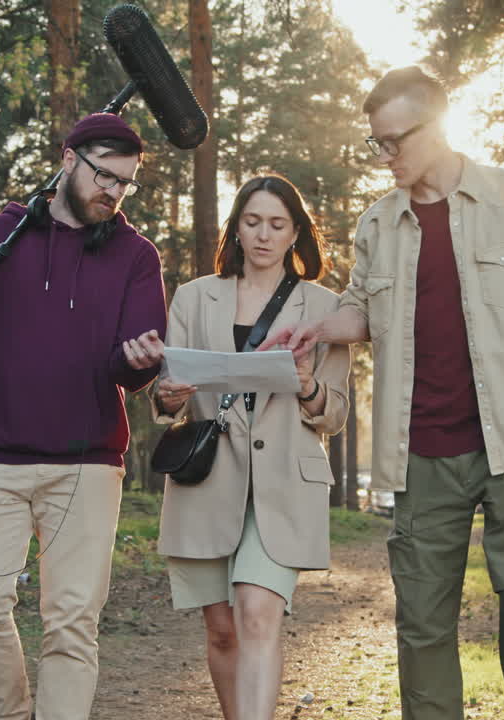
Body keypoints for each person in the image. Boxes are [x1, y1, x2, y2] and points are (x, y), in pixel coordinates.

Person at [261, 67, 504, 720]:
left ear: (435, 126)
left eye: (393, 141)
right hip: (420, 452)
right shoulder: (378, 224)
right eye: (375, 143)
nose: (385, 155)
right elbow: (361, 311)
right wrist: (315, 328)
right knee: (422, 622)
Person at [0, 113, 168, 720]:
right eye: (104, 175)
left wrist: (139, 361)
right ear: (68, 159)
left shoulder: (136, 255)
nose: (113, 190)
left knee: (72, 624)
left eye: (125, 182)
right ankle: (8, 712)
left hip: (87, 461)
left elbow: (132, 365)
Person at [151, 174, 350, 720]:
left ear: (296, 234)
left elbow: (334, 412)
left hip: (285, 482)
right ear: (236, 227)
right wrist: (168, 396)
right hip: (207, 479)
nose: (263, 235)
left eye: (277, 225)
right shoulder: (194, 296)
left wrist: (307, 383)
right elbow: (168, 396)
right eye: (253, 221)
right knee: (221, 631)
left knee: (258, 612)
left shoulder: (323, 305)